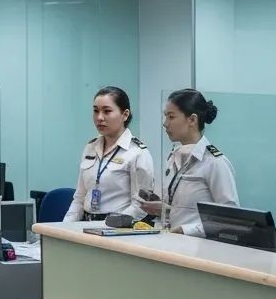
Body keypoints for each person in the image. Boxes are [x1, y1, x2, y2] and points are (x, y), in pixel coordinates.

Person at [140, 89, 239, 236]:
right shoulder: (175, 157)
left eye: (171, 117)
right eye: (165, 116)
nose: (165, 123)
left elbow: (231, 219)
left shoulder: (215, 163)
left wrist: (186, 230)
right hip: (171, 244)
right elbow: (184, 208)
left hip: (199, 249)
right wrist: (163, 209)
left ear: (192, 120)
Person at [62, 86, 155, 223]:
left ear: (125, 114)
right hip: (86, 225)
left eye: (107, 111)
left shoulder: (137, 152)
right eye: (96, 111)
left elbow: (140, 205)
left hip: (118, 228)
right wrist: (64, 227)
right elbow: (80, 197)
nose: (99, 118)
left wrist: (109, 226)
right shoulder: (90, 147)